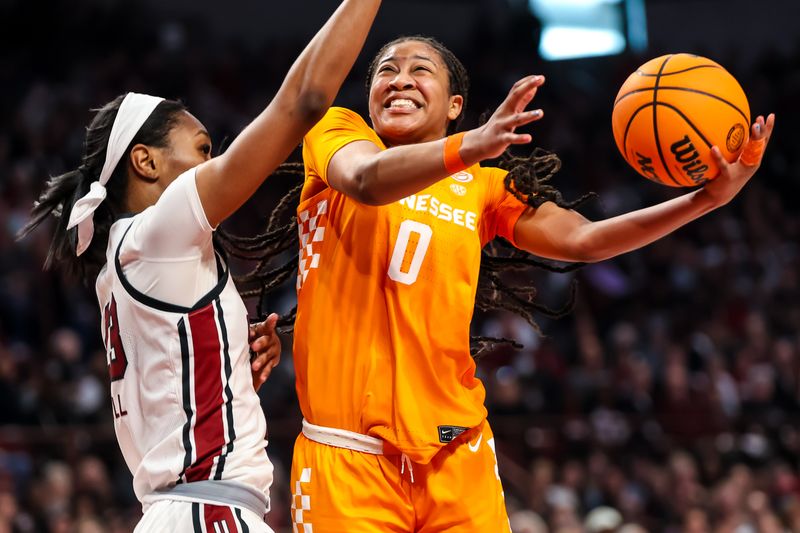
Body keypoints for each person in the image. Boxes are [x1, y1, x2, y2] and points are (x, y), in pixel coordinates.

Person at [276, 35, 775, 532]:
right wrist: (472, 145)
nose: (400, 79)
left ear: (455, 106)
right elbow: (366, 177)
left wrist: (708, 200)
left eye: (419, 69)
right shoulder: (336, 132)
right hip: (345, 459)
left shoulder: (484, 187)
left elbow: (587, 240)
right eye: (386, 70)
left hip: (457, 455)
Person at [17, 1, 381, 531]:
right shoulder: (158, 235)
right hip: (206, 510)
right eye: (203, 148)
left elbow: (177, 387)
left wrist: (233, 355)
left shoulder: (127, 260)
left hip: (184, 508)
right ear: (146, 161)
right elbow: (304, 102)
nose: (215, 164)